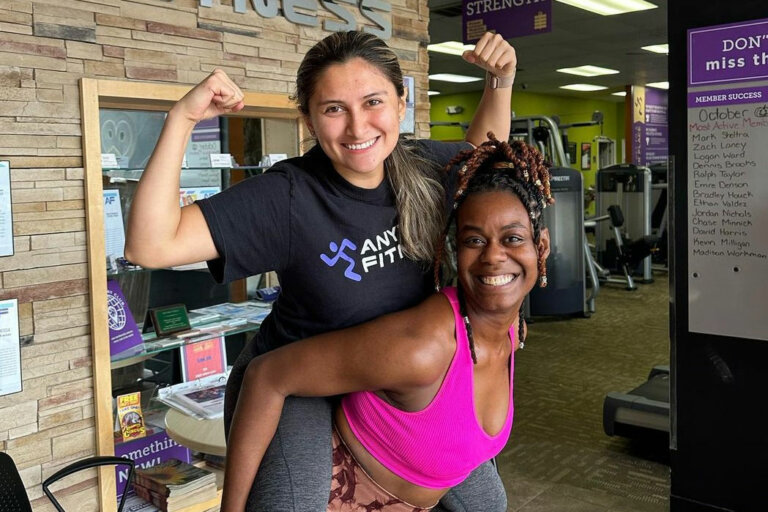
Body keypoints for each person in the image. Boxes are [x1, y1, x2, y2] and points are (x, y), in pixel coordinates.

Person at [125, 30, 518, 511]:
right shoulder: (289, 197)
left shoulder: (422, 167)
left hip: (389, 373)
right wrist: (181, 119)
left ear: (400, 102)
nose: (357, 128)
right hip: (299, 378)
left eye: (373, 101)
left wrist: (500, 83)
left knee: (487, 503)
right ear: (308, 119)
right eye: (334, 109)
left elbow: (485, 157)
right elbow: (150, 244)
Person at [221, 137, 553, 512]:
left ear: (541, 247)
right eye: (474, 240)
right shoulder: (423, 346)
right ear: (455, 251)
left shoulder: (511, 326)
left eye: (512, 239)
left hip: (409, 484)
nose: (494, 257)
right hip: (334, 482)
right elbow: (266, 375)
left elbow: (484, 146)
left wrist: (500, 84)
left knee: (491, 502)